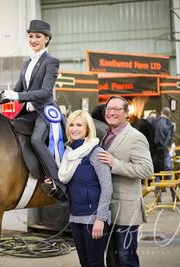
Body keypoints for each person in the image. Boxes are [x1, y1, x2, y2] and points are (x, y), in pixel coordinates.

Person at [1, 19, 67, 202]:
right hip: (29, 113)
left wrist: (18, 97)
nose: (33, 39)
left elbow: (45, 92)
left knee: (37, 139)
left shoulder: (51, 62)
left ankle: (57, 181)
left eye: (37, 36)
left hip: (45, 110)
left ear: (46, 39)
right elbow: (18, 89)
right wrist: (3, 96)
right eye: (30, 36)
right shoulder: (27, 63)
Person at [97, 96, 153, 267]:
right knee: (111, 259)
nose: (111, 112)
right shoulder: (105, 135)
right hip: (106, 209)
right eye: (108, 109)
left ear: (126, 113)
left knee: (126, 259)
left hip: (126, 210)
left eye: (116, 109)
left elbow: (146, 170)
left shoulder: (135, 137)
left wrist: (115, 164)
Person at [58, 110, 112, 267]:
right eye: (71, 125)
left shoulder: (96, 153)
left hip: (94, 218)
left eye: (79, 125)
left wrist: (100, 220)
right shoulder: (68, 155)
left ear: (87, 129)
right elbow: (71, 186)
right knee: (84, 263)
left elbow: (107, 188)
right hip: (75, 218)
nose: (74, 129)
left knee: (95, 263)